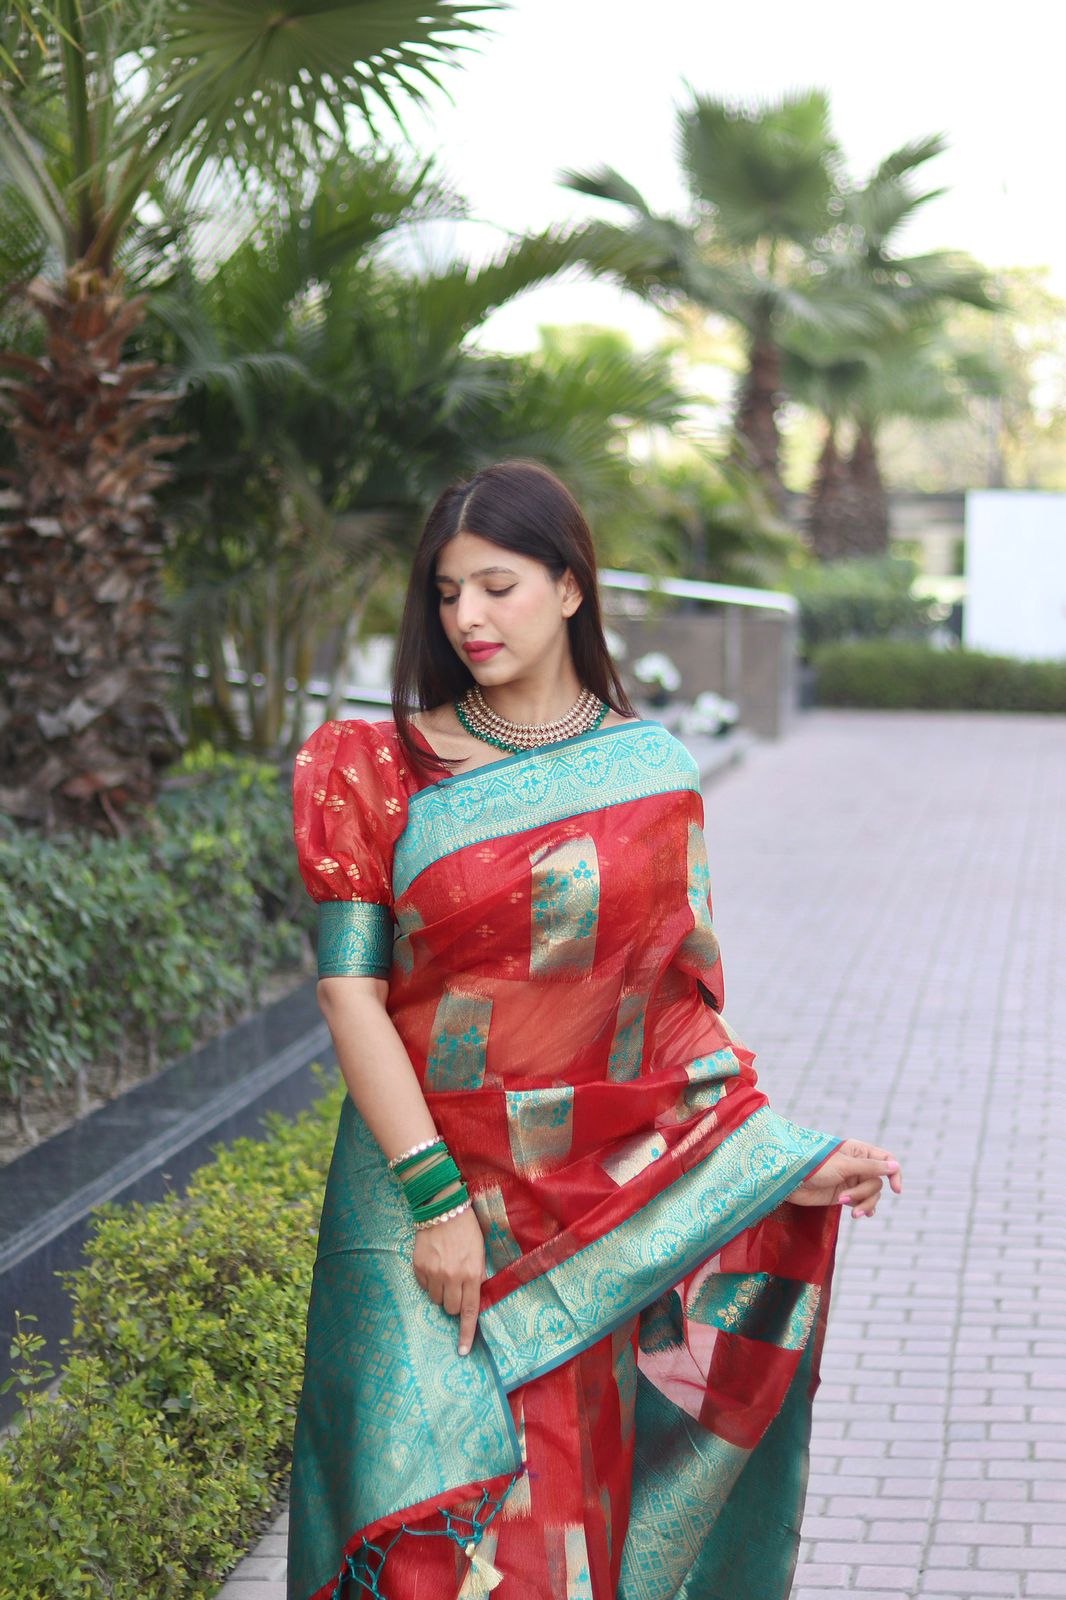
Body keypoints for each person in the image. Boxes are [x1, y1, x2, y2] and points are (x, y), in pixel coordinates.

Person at [286, 460, 902, 1600]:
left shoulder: (652, 777)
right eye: (447, 591)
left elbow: (672, 1019)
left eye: (497, 585)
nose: (465, 616)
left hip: (580, 1215)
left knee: (551, 1542)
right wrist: (433, 1204)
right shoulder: (372, 770)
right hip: (414, 1207)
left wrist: (780, 1164)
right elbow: (347, 997)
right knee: (423, 1542)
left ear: (571, 589)